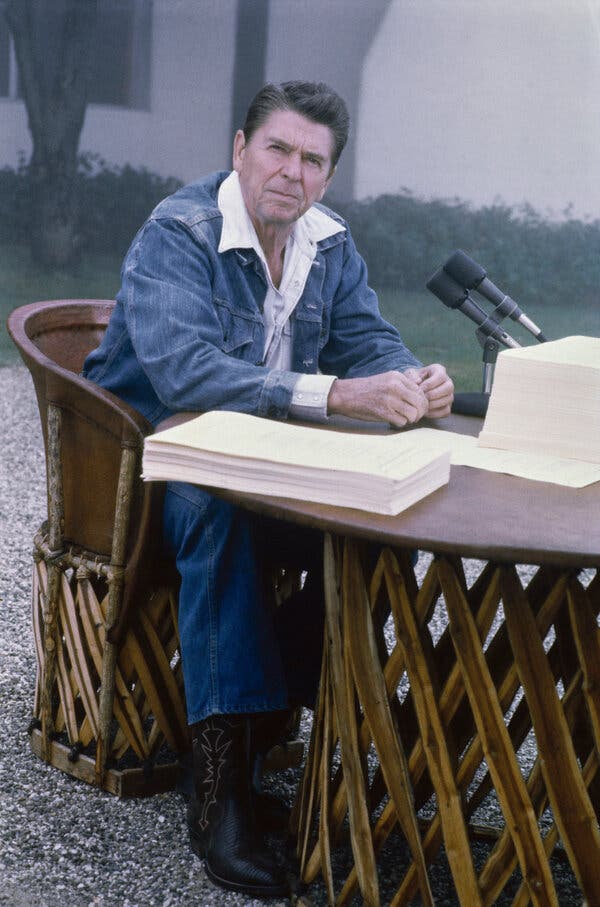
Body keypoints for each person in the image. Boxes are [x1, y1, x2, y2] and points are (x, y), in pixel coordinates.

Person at [83, 80, 454, 898]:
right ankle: (218, 801)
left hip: (256, 460)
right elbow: (186, 373)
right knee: (220, 517)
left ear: (328, 176)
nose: (292, 171)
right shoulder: (178, 232)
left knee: (368, 529)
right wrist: (334, 395)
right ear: (239, 152)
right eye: (278, 149)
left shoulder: (329, 244)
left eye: (312, 159)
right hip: (148, 464)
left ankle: (249, 734)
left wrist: (408, 379)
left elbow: (367, 341)